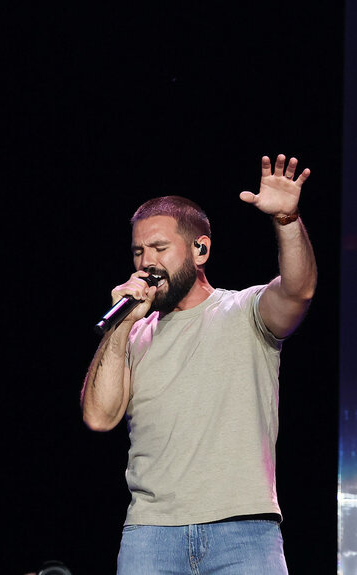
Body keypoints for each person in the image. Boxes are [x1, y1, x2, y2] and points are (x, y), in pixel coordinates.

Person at [80, 154, 316, 574]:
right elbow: (99, 417)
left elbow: (298, 291)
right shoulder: (134, 333)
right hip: (151, 534)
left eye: (159, 248)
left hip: (243, 533)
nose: (146, 262)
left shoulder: (244, 310)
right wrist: (120, 326)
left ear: (200, 249)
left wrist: (287, 221)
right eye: (138, 252)